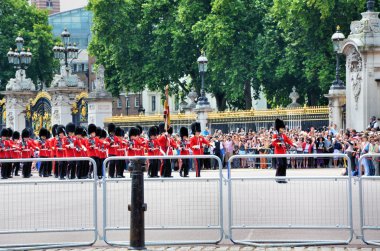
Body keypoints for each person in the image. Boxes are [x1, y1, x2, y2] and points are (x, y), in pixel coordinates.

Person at [271, 118, 296, 183]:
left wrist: (294, 144)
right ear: (278, 128)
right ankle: (278, 178)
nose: (283, 130)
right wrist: (278, 144)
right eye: (282, 128)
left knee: (284, 165)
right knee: (280, 164)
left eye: (283, 128)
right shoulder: (275, 135)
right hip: (278, 153)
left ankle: (283, 178)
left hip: (283, 152)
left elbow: (289, 141)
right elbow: (273, 143)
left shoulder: (284, 136)